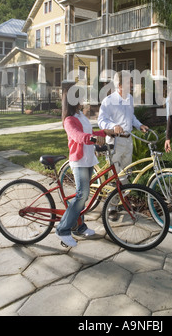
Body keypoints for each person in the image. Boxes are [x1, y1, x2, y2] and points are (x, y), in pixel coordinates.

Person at [55, 90, 113, 248]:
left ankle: (79, 227)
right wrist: (94, 138)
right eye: (79, 97)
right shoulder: (69, 120)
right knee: (82, 194)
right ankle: (62, 229)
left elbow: (89, 133)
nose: (82, 100)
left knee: (83, 196)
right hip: (79, 161)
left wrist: (107, 132)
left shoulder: (81, 116)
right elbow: (78, 136)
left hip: (88, 159)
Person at [98, 70, 148, 174]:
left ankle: (126, 190)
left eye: (131, 82)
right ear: (120, 86)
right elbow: (101, 120)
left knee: (127, 172)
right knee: (115, 174)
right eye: (128, 82)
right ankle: (115, 190)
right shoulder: (108, 101)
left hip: (128, 140)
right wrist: (114, 125)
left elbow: (131, 116)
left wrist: (140, 125)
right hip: (115, 141)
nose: (131, 85)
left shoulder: (129, 98)